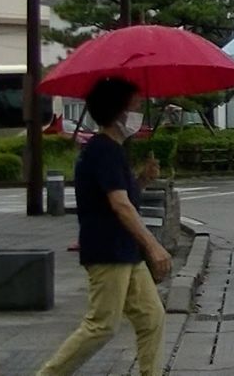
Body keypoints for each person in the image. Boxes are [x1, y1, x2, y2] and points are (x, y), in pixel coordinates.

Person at [39, 78, 171, 376]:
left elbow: (121, 195)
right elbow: (119, 205)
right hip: (108, 250)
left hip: (124, 249)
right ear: (118, 111)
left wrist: (143, 179)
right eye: (135, 107)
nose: (138, 114)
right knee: (101, 324)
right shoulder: (103, 150)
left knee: (152, 316)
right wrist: (153, 245)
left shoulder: (112, 150)